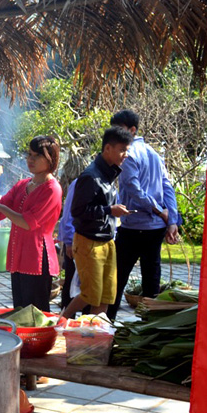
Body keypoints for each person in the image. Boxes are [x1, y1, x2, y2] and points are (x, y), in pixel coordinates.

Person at [106, 110, 182, 320]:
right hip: (154, 228)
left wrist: (161, 212)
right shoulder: (153, 153)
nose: (115, 134)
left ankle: (107, 324)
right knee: (151, 282)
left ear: (132, 130)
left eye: (119, 129)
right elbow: (167, 187)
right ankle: (149, 326)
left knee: (117, 279)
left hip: (135, 227)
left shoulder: (128, 154)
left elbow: (133, 189)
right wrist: (171, 219)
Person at [0, 136, 63, 312]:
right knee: (20, 310)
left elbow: (27, 222)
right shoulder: (23, 184)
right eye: (29, 154)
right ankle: (23, 340)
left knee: (35, 314)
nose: (30, 160)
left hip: (37, 258)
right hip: (18, 256)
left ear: (51, 159)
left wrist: (1, 208)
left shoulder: (52, 189)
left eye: (37, 156)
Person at [61, 127, 133, 319]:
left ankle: (95, 338)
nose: (125, 155)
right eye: (122, 150)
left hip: (107, 241)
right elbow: (78, 212)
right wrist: (110, 210)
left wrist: (112, 210)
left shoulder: (109, 173)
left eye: (126, 150)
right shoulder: (90, 176)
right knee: (90, 294)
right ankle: (62, 321)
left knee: (107, 296)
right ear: (107, 148)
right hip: (88, 242)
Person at [58, 177, 79, 310]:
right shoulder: (80, 183)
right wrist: (70, 241)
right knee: (71, 281)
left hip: (97, 243)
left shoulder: (109, 181)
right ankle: (65, 318)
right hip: (76, 241)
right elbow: (68, 215)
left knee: (88, 286)